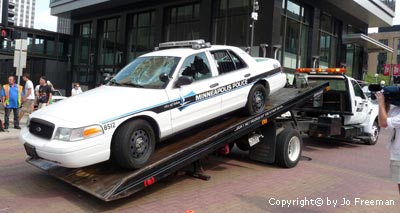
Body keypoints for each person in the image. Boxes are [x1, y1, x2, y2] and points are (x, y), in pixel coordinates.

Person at [375, 91, 400, 195]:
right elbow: (382, 122)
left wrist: (381, 103)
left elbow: (384, 122)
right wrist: (384, 104)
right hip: (396, 155)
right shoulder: (396, 110)